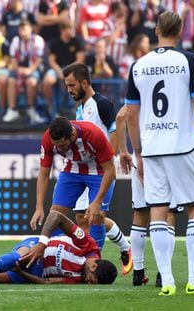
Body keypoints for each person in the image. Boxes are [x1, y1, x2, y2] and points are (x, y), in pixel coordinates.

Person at [125, 11, 194, 296]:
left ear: (156, 30)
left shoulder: (138, 65)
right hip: (182, 144)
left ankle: (167, 282)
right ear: (180, 30)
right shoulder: (188, 61)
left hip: (152, 148)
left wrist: (138, 152)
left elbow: (131, 114)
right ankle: (193, 280)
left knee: (158, 209)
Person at [62, 62, 133, 275]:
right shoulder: (80, 108)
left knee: (95, 216)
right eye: (67, 85)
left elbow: (115, 128)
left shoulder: (102, 104)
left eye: (72, 85)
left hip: (102, 170)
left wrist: (116, 153)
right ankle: (125, 246)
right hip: (84, 169)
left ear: (85, 82)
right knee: (83, 218)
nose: (69, 90)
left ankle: (95, 264)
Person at [29, 116, 116, 255]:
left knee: (96, 216)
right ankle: (51, 254)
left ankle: (94, 259)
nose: (59, 148)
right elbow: (44, 173)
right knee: (55, 213)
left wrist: (97, 202)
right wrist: (39, 207)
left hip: (99, 171)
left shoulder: (93, 134)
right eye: (56, 145)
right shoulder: (48, 138)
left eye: (62, 145)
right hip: (72, 170)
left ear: (73, 135)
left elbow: (110, 170)